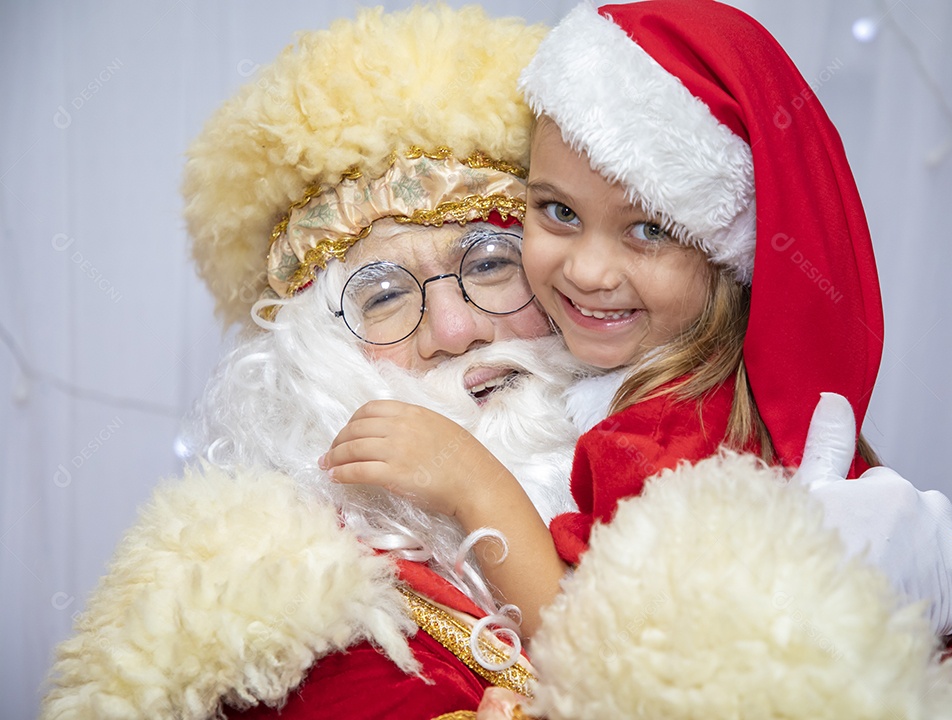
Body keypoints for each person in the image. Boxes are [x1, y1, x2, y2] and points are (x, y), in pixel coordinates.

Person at [325, 1, 952, 718]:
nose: (588, 270)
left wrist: (473, 485)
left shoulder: (668, 429)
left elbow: (600, 656)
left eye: (647, 230)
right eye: (558, 212)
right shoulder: (621, 377)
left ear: (726, 256)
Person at [40, 7, 577, 719]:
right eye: (383, 294)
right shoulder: (277, 621)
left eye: (488, 262)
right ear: (307, 353)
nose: (454, 328)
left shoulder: (686, 465)